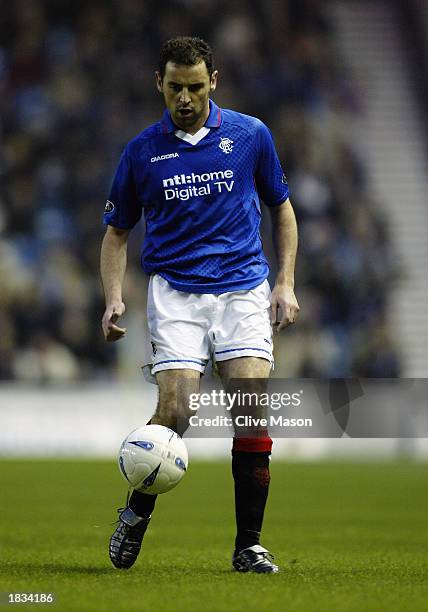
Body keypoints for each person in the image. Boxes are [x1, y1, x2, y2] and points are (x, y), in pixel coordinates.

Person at [100, 36, 299, 573]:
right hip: (177, 292)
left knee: (251, 408)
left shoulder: (250, 135)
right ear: (158, 86)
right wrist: (114, 297)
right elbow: (117, 233)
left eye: (193, 86)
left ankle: (248, 545)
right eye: (173, 87)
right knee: (177, 412)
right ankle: (136, 515)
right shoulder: (141, 151)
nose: (184, 98)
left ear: (214, 81)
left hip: (242, 287)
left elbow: (281, 208)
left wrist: (285, 282)